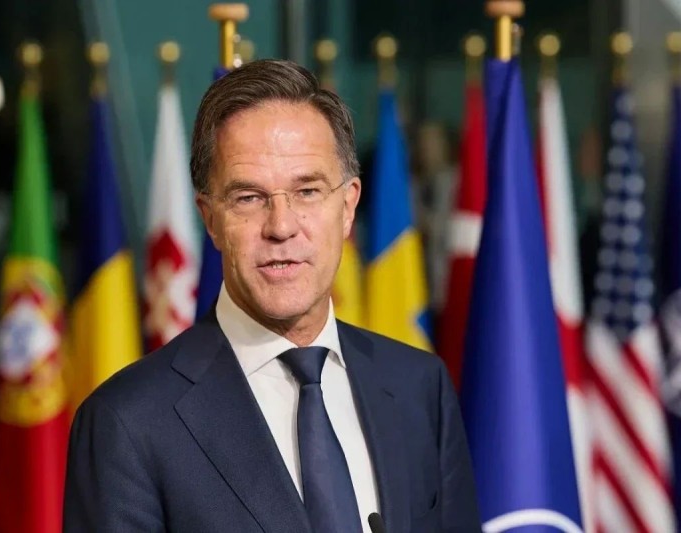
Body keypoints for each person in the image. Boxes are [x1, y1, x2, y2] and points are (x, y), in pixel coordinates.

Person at [63, 59, 480, 533]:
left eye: (307, 191)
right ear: (210, 219)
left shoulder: (420, 386)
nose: (281, 226)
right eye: (249, 198)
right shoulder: (127, 422)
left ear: (348, 206)